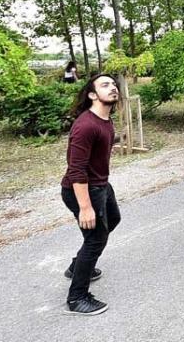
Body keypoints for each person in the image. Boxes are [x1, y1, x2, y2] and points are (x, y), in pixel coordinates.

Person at [60, 74, 122, 316]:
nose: (113, 88)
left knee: (113, 220)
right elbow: (76, 170)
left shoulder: (105, 120)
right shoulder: (86, 126)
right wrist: (85, 207)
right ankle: (76, 298)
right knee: (96, 239)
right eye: (105, 85)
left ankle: (77, 267)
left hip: (100, 185)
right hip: (81, 189)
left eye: (113, 84)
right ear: (92, 95)